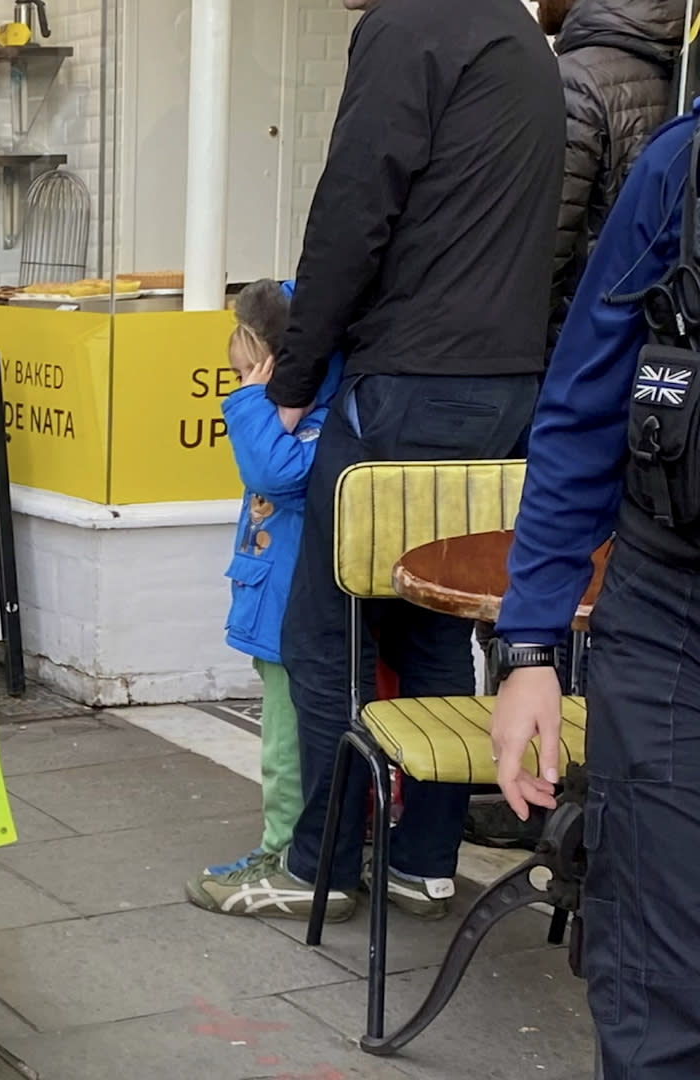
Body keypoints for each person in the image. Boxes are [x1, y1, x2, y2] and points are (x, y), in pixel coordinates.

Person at [198, 0, 564, 922]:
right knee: (431, 622)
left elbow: (352, 209)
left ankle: (316, 867)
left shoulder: (409, 25)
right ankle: (422, 860)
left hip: (410, 380)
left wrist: (297, 377)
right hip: (502, 378)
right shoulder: (514, 33)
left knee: (330, 635)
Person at [492, 87, 700, 1075]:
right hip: (675, 624)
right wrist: (531, 647)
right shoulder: (681, 172)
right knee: (664, 989)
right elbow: (580, 410)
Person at [186, 280, 343, 916]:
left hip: (291, 617)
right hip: (275, 609)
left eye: (249, 372)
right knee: (291, 739)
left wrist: (254, 402)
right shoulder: (303, 417)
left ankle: (286, 851)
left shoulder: (312, 423)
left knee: (286, 746)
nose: (244, 386)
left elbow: (274, 474)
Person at [549, 0, 683, 345]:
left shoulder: (576, 79)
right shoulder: (683, 65)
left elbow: (546, 246)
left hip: (578, 342)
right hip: (663, 334)